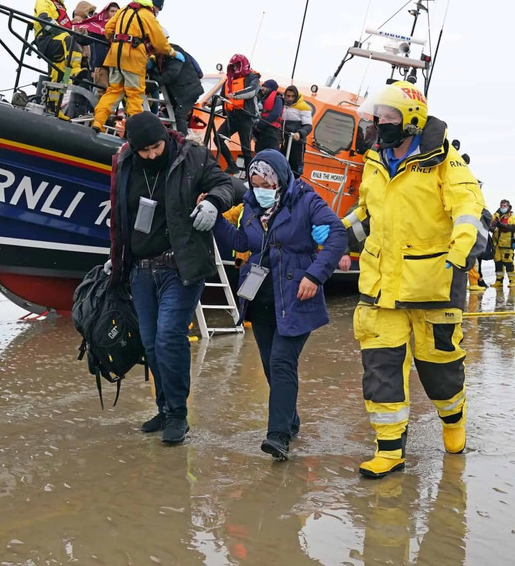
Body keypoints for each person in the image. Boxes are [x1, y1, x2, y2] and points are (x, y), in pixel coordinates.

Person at [339, 82, 488, 477]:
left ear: (411, 119)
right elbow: (367, 212)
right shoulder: (375, 158)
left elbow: (467, 209)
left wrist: (457, 258)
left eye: (387, 116)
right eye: (378, 115)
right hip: (380, 287)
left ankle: (453, 421)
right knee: (381, 369)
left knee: (439, 369)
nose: (379, 122)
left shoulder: (443, 159)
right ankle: (389, 451)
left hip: (433, 285)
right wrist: (335, 235)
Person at [106, 111, 235, 444]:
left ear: (164, 138)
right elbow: (120, 216)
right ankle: (164, 409)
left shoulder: (189, 156)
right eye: (144, 150)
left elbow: (226, 183)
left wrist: (214, 204)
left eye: (156, 147)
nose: (152, 155)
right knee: (150, 344)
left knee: (168, 338)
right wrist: (116, 260)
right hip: (140, 269)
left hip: (181, 266)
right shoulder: (124, 163)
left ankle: (179, 414)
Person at [211, 149, 347, 461]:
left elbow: (336, 234)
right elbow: (244, 243)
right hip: (260, 300)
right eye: (255, 182)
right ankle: (291, 420)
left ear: (280, 179)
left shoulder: (306, 201)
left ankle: (278, 436)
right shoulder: (249, 207)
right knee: (271, 364)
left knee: (283, 362)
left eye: (267, 183)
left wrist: (315, 276)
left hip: (296, 297)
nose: (261, 188)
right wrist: (215, 221)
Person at [93, 0, 178, 132]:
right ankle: (135, 132)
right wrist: (172, 52)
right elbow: (160, 42)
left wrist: (116, 41)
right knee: (135, 95)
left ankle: (98, 123)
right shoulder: (148, 16)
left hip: (115, 57)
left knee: (113, 91)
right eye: (159, 10)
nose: (157, 12)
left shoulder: (124, 9)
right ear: (155, 6)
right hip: (133, 59)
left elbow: (108, 28)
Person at [213, 54, 260, 175]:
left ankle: (251, 175)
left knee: (246, 148)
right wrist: (212, 102)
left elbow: (252, 91)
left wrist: (234, 95)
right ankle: (232, 165)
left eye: (237, 65)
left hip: (246, 117)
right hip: (232, 116)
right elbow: (223, 97)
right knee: (217, 138)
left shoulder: (252, 77)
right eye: (233, 66)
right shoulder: (229, 80)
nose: (235, 68)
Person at [148, 42, 203, 135]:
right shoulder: (160, 56)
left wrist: (156, 83)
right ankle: (177, 138)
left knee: (179, 115)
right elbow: (161, 72)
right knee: (174, 114)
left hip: (188, 90)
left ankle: (182, 141)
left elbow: (172, 73)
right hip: (178, 91)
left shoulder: (174, 53)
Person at [33, 0, 81, 83]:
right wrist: (62, 31)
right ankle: (76, 71)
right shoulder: (44, 0)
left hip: (59, 42)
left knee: (61, 75)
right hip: (46, 39)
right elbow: (44, 19)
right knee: (70, 41)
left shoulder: (61, 8)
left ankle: (56, 96)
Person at [280, 84, 313, 177]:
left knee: (295, 168)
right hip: (283, 141)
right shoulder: (282, 105)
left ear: (296, 96)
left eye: (292, 96)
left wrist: (299, 133)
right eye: (288, 96)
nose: (290, 98)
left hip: (296, 142)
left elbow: (308, 126)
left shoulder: (304, 107)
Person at [490, 199, 515, 288]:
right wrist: (497, 214)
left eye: (504, 206)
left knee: (508, 263)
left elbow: (513, 229)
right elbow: (491, 221)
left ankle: (512, 280)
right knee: (497, 262)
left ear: (509, 207)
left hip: (507, 244)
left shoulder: (512, 218)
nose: (502, 207)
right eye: (501, 206)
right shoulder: (499, 217)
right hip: (497, 244)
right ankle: (499, 281)